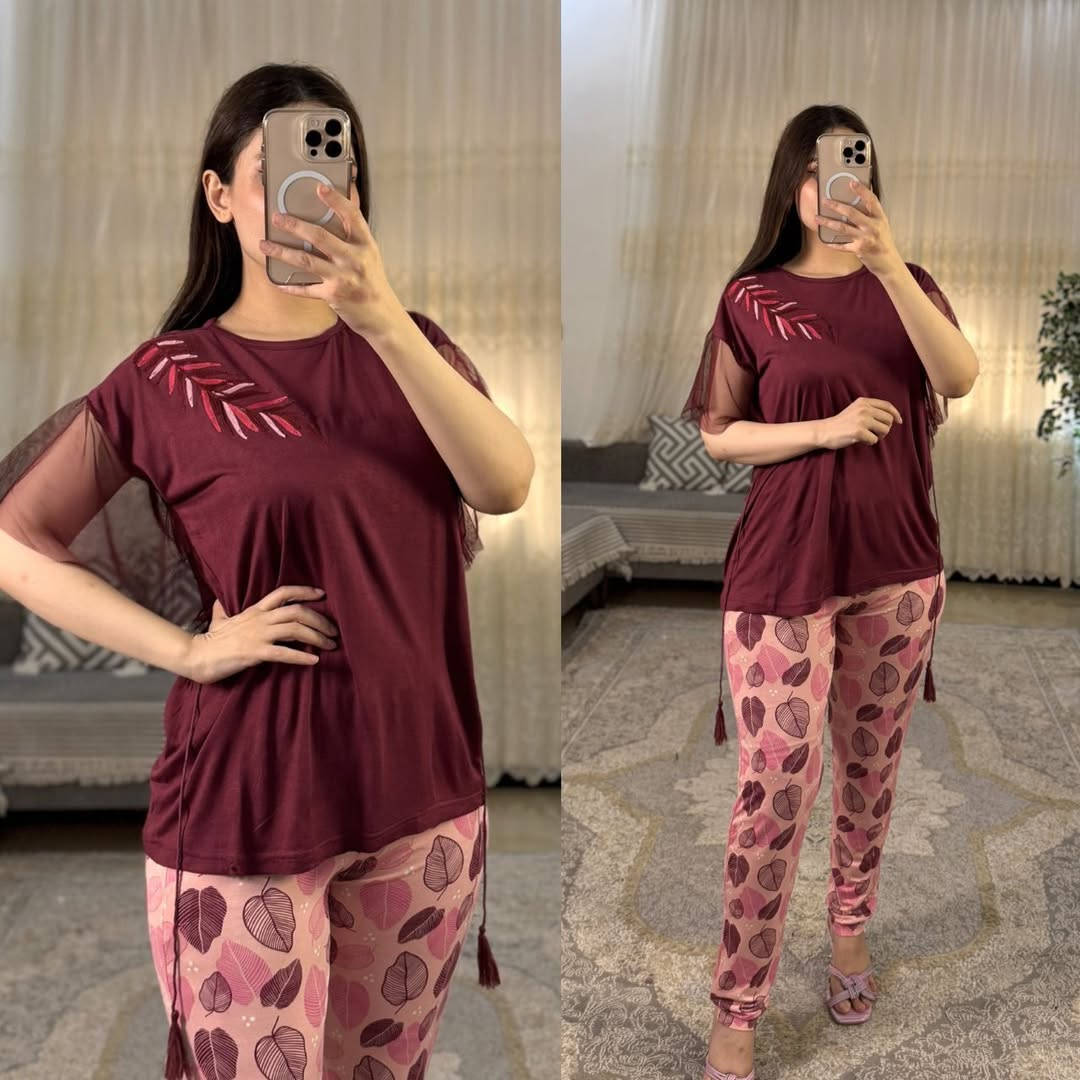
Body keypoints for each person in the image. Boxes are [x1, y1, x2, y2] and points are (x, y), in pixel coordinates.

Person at [0, 62, 534, 1080]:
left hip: (422, 794)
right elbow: (13, 537)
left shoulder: (414, 346)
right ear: (219, 197)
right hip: (247, 803)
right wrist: (188, 651)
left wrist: (381, 317)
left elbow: (504, 483)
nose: (319, 191)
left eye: (341, 171)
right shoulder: (169, 377)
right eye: (280, 170)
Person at [683, 105, 979, 1080]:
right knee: (774, 784)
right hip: (781, 567)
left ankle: (849, 930)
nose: (840, 185)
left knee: (869, 768)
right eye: (822, 169)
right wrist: (822, 430)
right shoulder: (751, 296)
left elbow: (961, 376)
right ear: (792, 184)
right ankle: (738, 1004)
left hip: (898, 566)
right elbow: (719, 432)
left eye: (857, 166)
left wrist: (888, 265)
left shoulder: (909, 284)